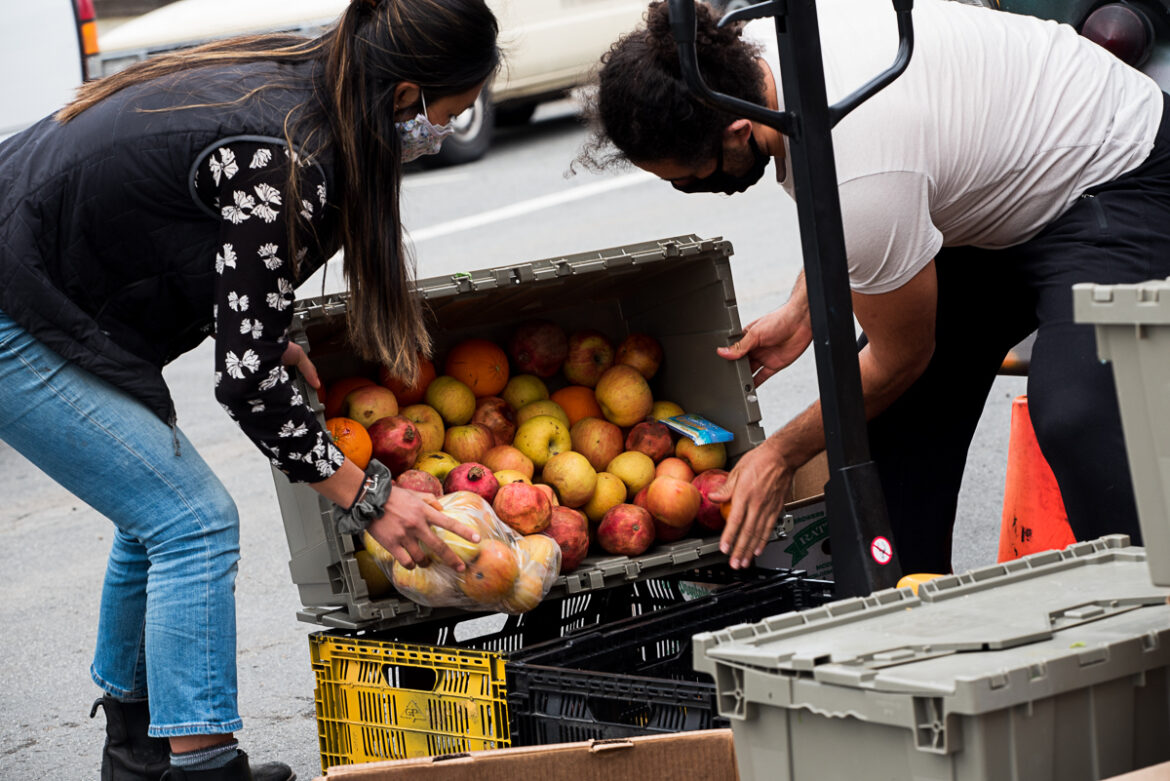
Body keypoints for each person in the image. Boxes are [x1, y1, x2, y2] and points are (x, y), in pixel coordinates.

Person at [0, 0, 499, 778]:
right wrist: (369, 498)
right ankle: (204, 765)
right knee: (191, 522)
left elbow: (233, 249)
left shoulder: (319, 79)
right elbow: (246, 381)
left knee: (153, 512)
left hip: (39, 273)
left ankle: (138, 755)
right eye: (446, 113)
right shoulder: (288, 149)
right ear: (405, 94)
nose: (437, 134)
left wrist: (279, 328)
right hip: (13, 298)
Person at [581, 0, 1170, 575]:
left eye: (690, 178)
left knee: (1078, 411)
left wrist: (779, 456)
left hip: (1122, 173)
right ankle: (908, 611)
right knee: (888, 428)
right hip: (1002, 191)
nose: (690, 188)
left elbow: (900, 352)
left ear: (738, 130)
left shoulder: (854, 155)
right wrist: (803, 307)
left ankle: (1150, 611)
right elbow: (871, 203)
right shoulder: (764, 50)